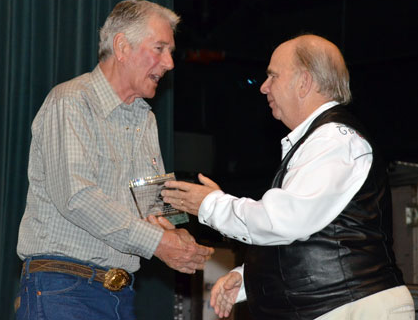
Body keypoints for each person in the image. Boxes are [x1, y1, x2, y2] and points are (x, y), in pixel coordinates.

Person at [161, 34, 415, 319]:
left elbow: (284, 220)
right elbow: (310, 233)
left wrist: (210, 204)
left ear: (304, 82)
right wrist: (250, 278)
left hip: (353, 308)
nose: (263, 87)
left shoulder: (334, 140)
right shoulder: (321, 141)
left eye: (273, 76)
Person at [15, 0, 214, 320]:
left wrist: (179, 238)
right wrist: (159, 243)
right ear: (122, 46)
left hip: (120, 295)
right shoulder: (70, 102)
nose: (169, 63)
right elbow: (77, 198)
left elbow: (152, 204)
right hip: (62, 290)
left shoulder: (145, 118)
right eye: (160, 48)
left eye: (171, 51)